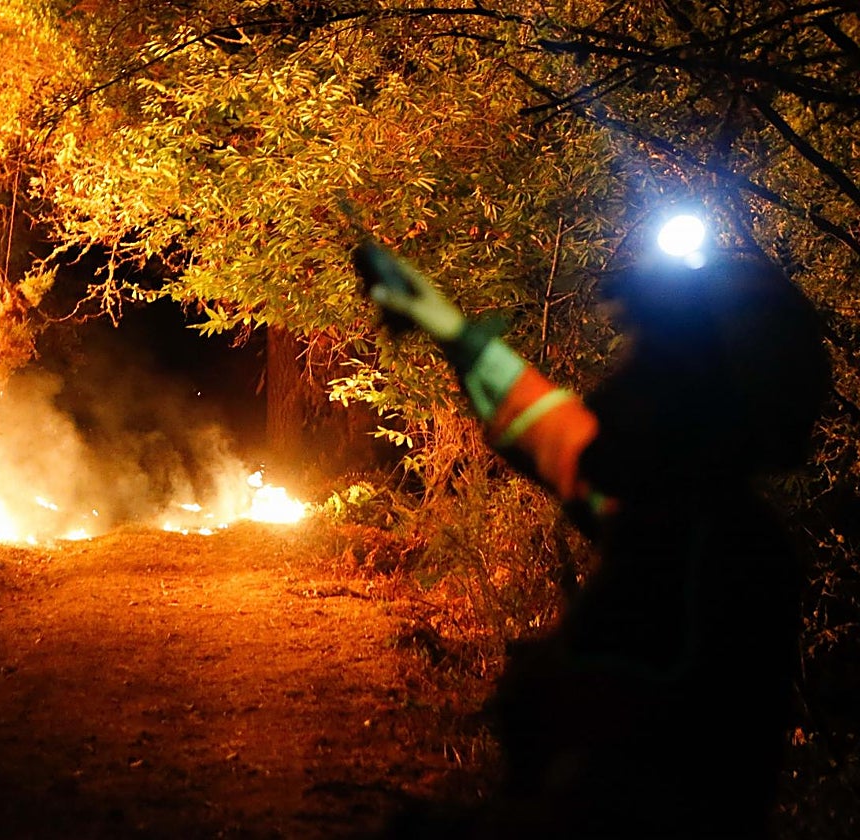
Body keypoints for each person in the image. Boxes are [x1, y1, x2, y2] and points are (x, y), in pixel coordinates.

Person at [354, 230, 831, 838]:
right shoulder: (669, 515)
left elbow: (674, 787)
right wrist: (443, 324)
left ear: (703, 409)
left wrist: (557, 695)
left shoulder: (725, 559)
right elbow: (547, 428)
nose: (609, 391)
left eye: (648, 365)